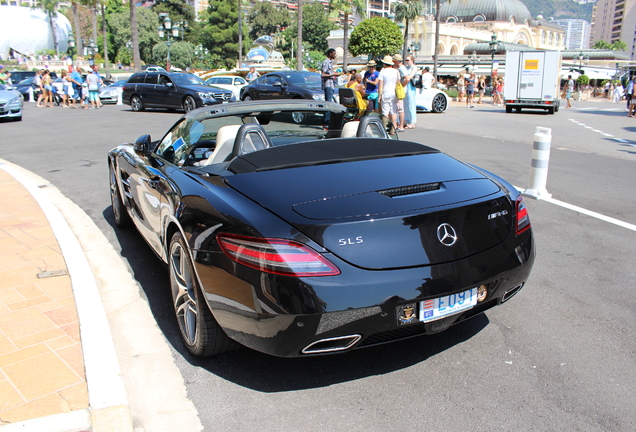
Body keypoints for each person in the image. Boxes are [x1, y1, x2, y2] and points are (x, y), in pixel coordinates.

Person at [377, 55, 401, 132]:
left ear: (384, 63)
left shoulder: (383, 71)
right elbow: (398, 83)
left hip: (386, 92)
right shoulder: (396, 71)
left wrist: (379, 95)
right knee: (393, 111)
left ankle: (384, 129)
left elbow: (380, 84)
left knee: (385, 112)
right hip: (394, 93)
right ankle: (393, 129)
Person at [320, 48, 339, 126]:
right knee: (328, 103)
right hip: (328, 85)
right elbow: (323, 74)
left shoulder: (330, 63)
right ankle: (326, 120)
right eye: (334, 53)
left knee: (329, 102)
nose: (335, 55)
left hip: (331, 85)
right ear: (330, 54)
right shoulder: (326, 62)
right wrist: (333, 74)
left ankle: (327, 119)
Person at [402, 55, 417, 129]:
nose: (407, 62)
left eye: (408, 60)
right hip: (406, 86)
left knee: (411, 104)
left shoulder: (414, 67)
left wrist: (406, 77)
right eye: (406, 60)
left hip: (411, 87)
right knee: (405, 104)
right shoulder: (406, 68)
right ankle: (406, 120)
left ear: (412, 60)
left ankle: (412, 121)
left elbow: (410, 77)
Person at [393, 53, 406, 129]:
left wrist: (401, 86)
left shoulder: (401, 68)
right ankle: (399, 124)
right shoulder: (400, 68)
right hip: (399, 90)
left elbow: (407, 78)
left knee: (400, 109)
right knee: (398, 108)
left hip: (399, 91)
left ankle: (401, 126)